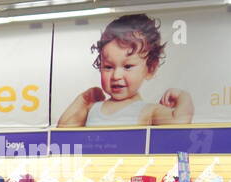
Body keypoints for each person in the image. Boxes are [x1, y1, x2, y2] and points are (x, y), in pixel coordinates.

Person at [56, 13, 193, 127]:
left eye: (127, 67)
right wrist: (83, 100)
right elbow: (63, 129)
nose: (116, 75)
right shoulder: (93, 108)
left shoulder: (149, 111)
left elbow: (179, 122)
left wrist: (182, 96)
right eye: (108, 67)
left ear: (150, 69)